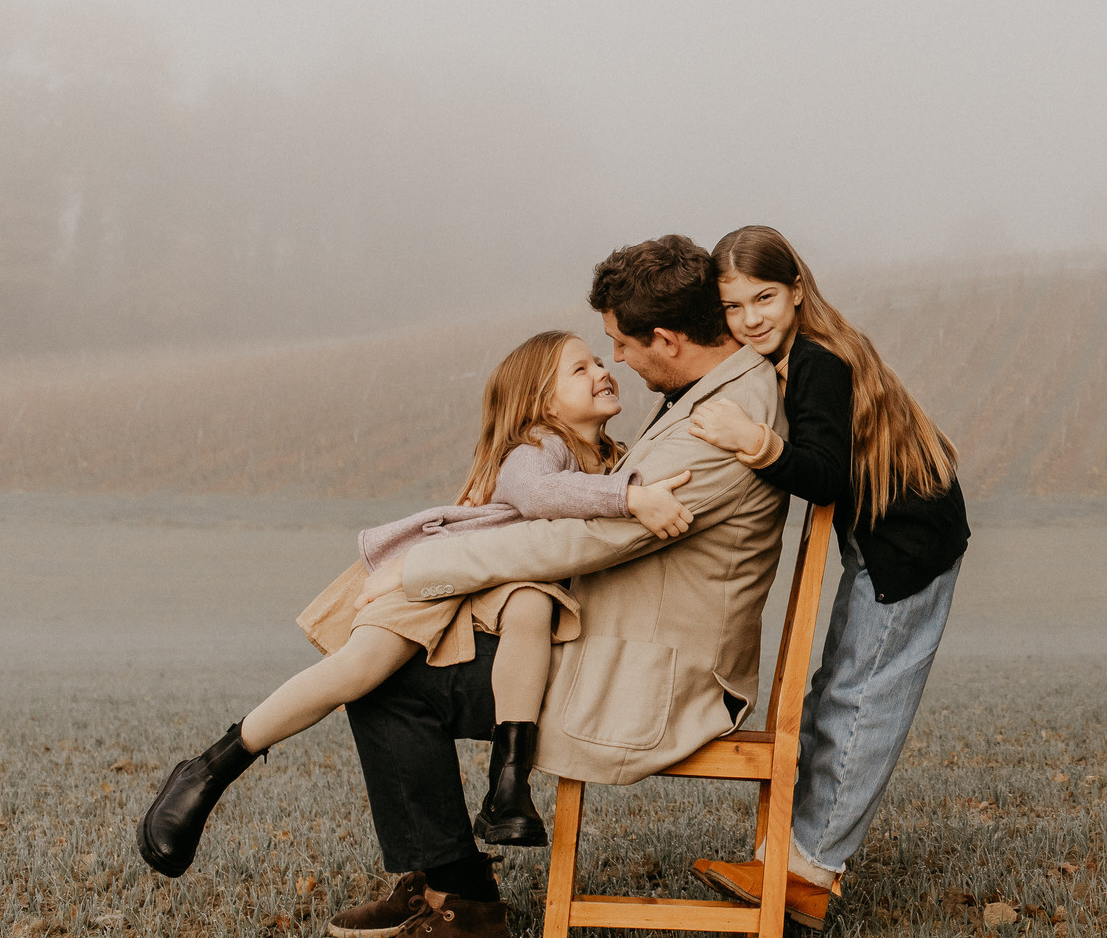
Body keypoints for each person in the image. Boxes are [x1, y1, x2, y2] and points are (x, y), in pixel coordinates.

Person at [313, 235, 793, 938]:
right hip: (615, 634)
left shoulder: (719, 421)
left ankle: (463, 908)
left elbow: (580, 544)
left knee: (392, 685)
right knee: (399, 657)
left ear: (666, 339)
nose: (619, 364)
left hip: (656, 673)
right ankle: (438, 884)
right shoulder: (713, 396)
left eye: (622, 345)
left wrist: (420, 570)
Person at [135, 330, 698, 879]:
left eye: (601, 360)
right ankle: (208, 771)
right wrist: (630, 498)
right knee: (360, 670)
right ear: (542, 403)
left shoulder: (613, 457)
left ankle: (508, 787)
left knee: (532, 607)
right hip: (448, 571)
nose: (603, 370)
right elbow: (539, 497)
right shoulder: (537, 445)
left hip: (510, 580)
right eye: (581, 368)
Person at [678, 225, 970, 932]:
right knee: (834, 690)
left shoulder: (817, 359)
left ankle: (811, 871)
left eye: (765, 298)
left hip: (908, 541)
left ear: (797, 291)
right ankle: (786, 856)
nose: (751, 319)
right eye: (734, 307)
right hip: (885, 536)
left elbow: (826, 473)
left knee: (860, 697)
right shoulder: (796, 354)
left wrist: (752, 443)